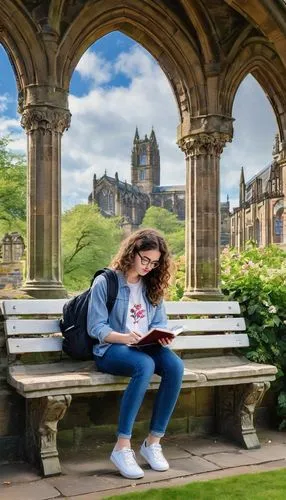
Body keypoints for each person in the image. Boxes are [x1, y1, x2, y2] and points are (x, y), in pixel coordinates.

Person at [87, 228, 184, 479]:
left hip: (143, 346)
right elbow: (95, 327)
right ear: (132, 252)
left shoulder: (152, 284)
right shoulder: (106, 282)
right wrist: (124, 337)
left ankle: (153, 443)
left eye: (154, 263)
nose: (149, 267)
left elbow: (158, 322)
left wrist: (161, 336)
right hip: (110, 348)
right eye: (145, 260)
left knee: (175, 367)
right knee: (144, 365)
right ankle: (122, 447)